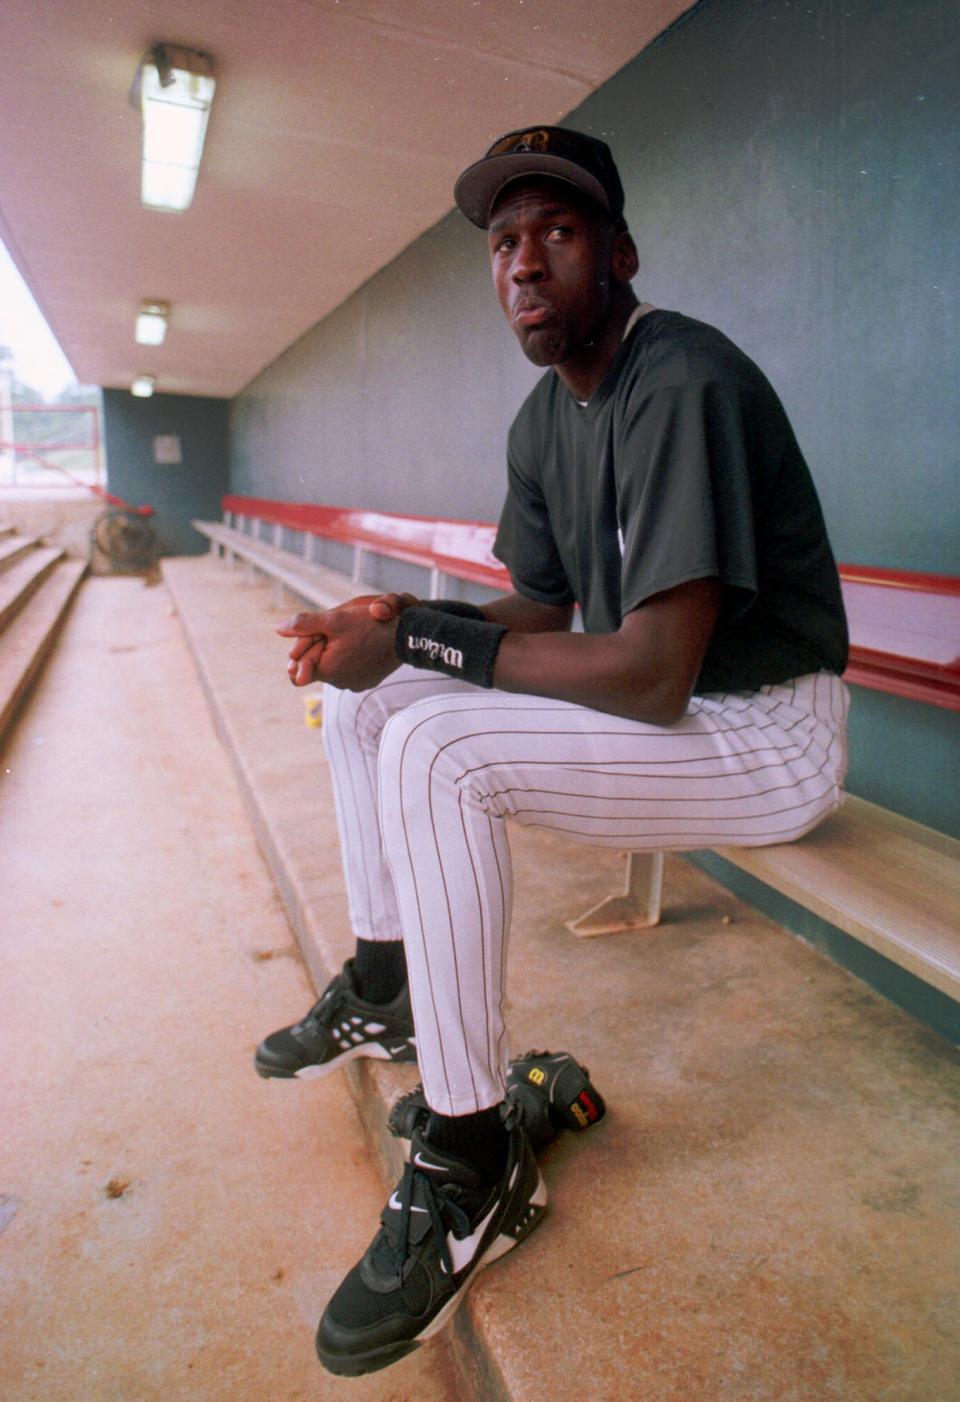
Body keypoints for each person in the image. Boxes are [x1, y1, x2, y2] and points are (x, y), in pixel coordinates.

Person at [255, 126, 849, 1377]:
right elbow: (539, 609)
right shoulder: (546, 415)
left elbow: (647, 671)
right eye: (504, 241)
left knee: (435, 746)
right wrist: (387, 629)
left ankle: (472, 1162)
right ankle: (383, 985)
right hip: (685, 717)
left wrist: (422, 637)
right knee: (376, 702)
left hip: (768, 730)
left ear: (619, 255)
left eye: (559, 233)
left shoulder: (676, 380)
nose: (525, 261)